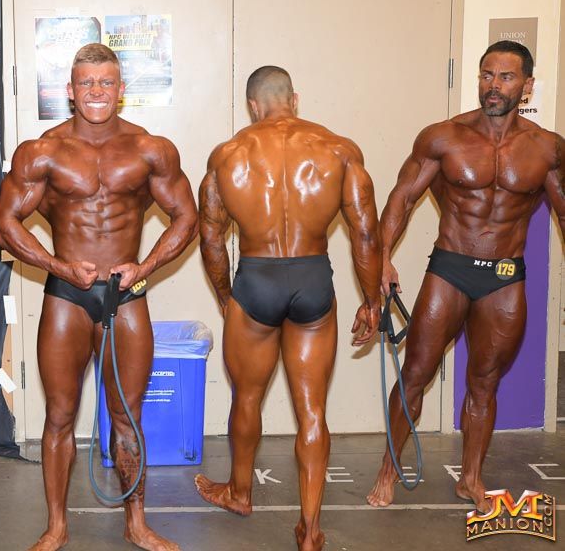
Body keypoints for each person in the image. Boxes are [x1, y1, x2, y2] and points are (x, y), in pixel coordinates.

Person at [0, 43, 198, 551]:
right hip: (67, 297)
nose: (97, 91)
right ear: (70, 90)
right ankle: (56, 526)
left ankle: (137, 523)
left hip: (126, 295)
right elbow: (3, 225)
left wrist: (145, 267)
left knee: (127, 415)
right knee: (59, 416)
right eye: (86, 83)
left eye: (106, 82)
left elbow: (187, 217)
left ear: (121, 89)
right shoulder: (42, 151)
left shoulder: (151, 149)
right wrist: (57, 265)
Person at [367, 40, 565, 512]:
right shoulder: (444, 137)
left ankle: (470, 477)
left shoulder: (547, 148)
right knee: (415, 374)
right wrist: (383, 258)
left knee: (484, 382)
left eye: (506, 77)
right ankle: (388, 469)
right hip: (451, 268)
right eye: (486, 75)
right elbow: (402, 198)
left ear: (527, 86)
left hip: (505, 276)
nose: (493, 86)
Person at [195, 66, 381, 551]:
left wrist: (227, 296)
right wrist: (372, 299)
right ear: (294, 100)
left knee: (246, 398)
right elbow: (365, 232)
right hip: (312, 278)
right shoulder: (339, 150)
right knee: (313, 411)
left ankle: (239, 493)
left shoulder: (227, 155)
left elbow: (211, 239)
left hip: (256, 279)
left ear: (252, 105)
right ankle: (311, 530)